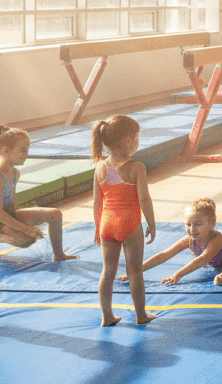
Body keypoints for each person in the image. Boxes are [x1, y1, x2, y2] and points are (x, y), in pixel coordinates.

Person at [91, 115, 156, 326]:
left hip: (107, 224)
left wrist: (97, 228)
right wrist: (151, 223)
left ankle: (106, 316)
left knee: (107, 271)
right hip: (128, 223)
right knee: (135, 271)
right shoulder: (136, 167)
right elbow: (144, 199)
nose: (138, 142)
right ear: (128, 140)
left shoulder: (99, 167)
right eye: (137, 137)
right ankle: (141, 314)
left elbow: (96, 203)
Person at [0, 124, 75, 261]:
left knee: (55, 214)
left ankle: (58, 255)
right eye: (23, 151)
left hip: (7, 215)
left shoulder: (15, 173)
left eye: (27, 150)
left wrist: (23, 223)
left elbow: (13, 206)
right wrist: (25, 228)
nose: (27, 155)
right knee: (26, 239)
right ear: (6, 151)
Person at [127, 197, 222, 287]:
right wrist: (138, 270)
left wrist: (178, 274)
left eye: (198, 224)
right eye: (188, 224)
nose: (192, 229)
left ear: (212, 224)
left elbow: (202, 259)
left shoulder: (217, 239)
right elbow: (166, 254)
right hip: (220, 264)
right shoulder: (189, 240)